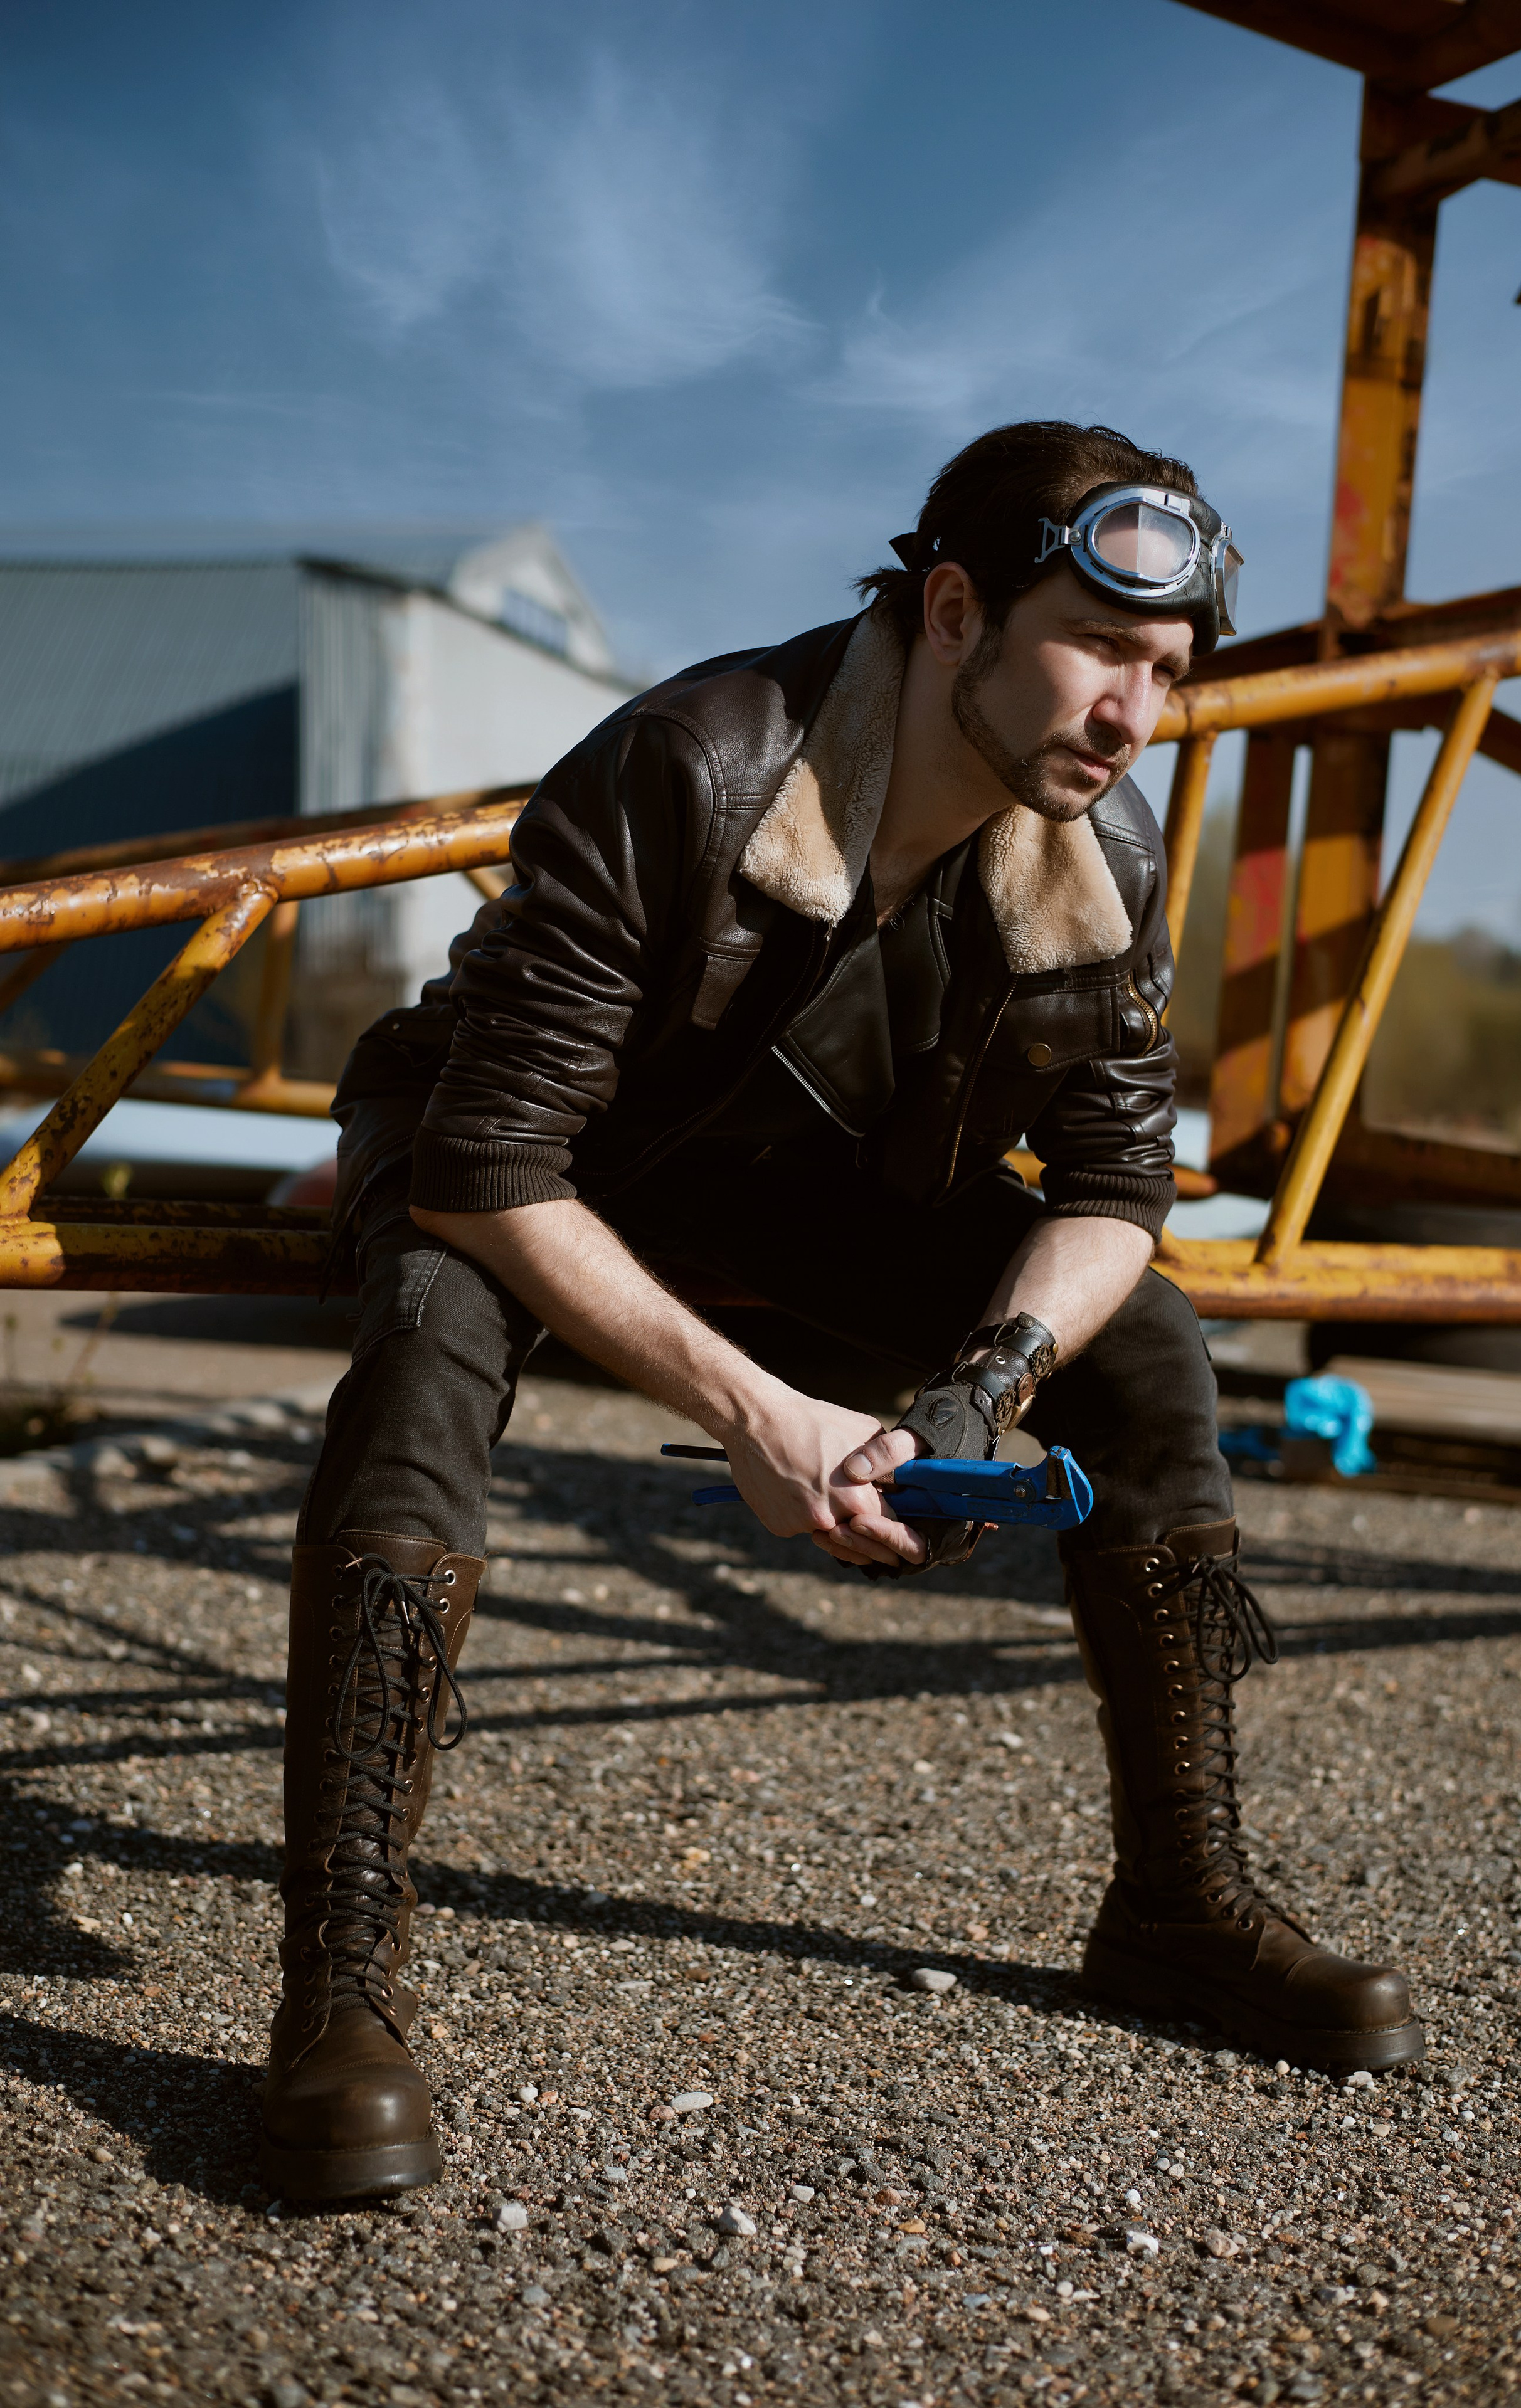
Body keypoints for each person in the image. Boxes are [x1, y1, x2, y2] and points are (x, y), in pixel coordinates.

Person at [260, 420, 1423, 2203]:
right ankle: (335, 1989)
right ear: (953, 610)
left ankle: (1181, 1907)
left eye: (1167, 672)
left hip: (799, 1186)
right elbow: (488, 1161)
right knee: (429, 1334)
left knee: (1152, 1349)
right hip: (513, 1156)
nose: (1134, 713)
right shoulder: (693, 760)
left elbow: (1120, 1187)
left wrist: (983, 1391)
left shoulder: (1100, 849)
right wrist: (759, 1418)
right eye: (1098, 649)